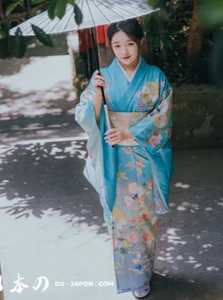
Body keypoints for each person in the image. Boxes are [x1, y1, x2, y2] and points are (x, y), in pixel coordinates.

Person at [75, 18, 173, 299]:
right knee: (120, 220)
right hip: (114, 161)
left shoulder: (156, 77)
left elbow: (163, 118)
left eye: (129, 43)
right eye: (117, 45)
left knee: (143, 219)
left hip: (143, 159)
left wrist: (130, 135)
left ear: (139, 42)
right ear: (110, 47)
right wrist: (96, 95)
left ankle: (144, 269)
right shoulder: (102, 77)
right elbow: (85, 117)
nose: (124, 51)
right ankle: (133, 276)